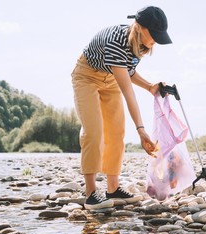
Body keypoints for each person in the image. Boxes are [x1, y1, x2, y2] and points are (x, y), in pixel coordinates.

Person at [71, 6, 172, 210]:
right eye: (154, 35)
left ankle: (113, 188)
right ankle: (90, 193)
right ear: (141, 28)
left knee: (116, 132)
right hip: (86, 76)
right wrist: (141, 130)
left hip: (110, 80)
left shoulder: (141, 45)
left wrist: (150, 87)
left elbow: (128, 73)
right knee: (93, 132)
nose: (156, 41)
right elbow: (128, 91)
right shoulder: (116, 42)